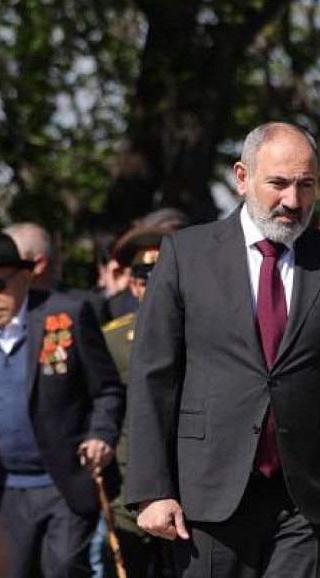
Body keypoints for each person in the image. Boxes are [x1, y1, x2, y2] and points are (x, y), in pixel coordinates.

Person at [125, 121, 320, 578]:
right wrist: (151, 488)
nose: (293, 200)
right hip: (209, 495)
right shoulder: (186, 255)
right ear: (242, 177)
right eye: (279, 183)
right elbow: (154, 376)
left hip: (311, 500)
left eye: (306, 185)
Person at [0, 232, 125, 578]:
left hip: (64, 480)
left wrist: (101, 435)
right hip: (7, 488)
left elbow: (108, 389)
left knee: (64, 566)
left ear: (25, 276)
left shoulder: (67, 314)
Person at [102, 226, 175, 577]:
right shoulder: (113, 340)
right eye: (146, 278)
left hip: (188, 484)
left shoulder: (204, 332)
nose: (155, 286)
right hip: (128, 484)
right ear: (132, 284)